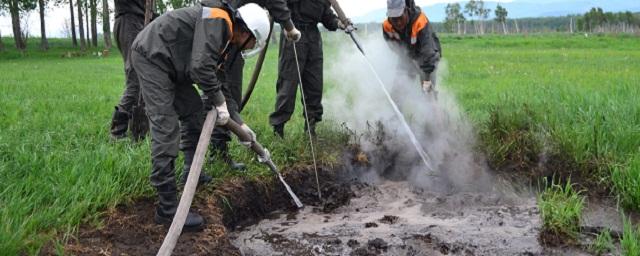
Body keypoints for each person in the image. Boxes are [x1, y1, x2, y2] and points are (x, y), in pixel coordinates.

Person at [130, 2, 270, 231]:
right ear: (246, 32)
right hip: (153, 57)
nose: (251, 46)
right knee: (165, 127)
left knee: (194, 113)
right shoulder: (219, 21)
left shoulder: (225, 38)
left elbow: (220, 82)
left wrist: (240, 124)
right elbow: (200, 68)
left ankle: (190, 172)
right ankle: (167, 209)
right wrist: (218, 101)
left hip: (172, 63)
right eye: (254, 41)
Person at [206, 0, 301, 171]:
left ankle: (218, 151)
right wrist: (289, 26)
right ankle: (218, 153)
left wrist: (240, 125)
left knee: (224, 91)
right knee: (223, 90)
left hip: (231, 24)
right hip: (232, 27)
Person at [269, 0, 348, 138]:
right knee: (288, 84)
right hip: (293, 32)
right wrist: (286, 25)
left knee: (314, 85)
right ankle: (278, 130)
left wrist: (338, 23)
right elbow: (277, 7)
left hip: (313, 37)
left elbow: (327, 16)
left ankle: (310, 129)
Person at [108, 0, 156, 140]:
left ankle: (138, 126)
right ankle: (117, 132)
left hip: (140, 21)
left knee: (143, 78)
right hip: (129, 21)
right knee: (135, 79)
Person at [383, 0, 441, 93]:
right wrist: (405, 58)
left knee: (427, 93)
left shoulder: (420, 21)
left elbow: (428, 51)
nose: (398, 23)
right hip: (408, 56)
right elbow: (393, 46)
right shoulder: (387, 26)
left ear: (406, 10)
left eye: (400, 17)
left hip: (428, 58)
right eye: (394, 19)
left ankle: (433, 105)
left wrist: (426, 78)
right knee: (397, 92)